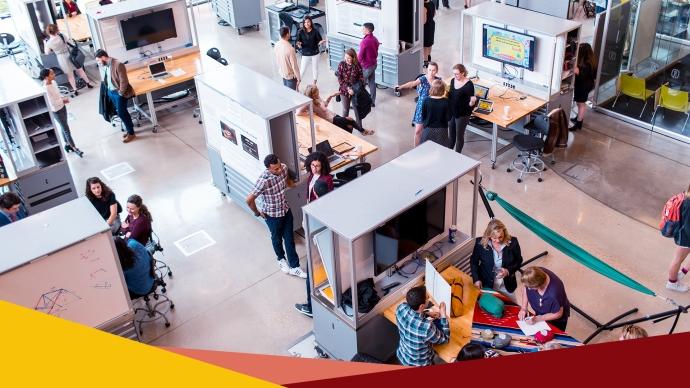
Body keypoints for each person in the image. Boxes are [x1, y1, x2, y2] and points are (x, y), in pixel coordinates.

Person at [246, 154, 307, 279]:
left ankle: (295, 267)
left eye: (279, 167)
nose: (279, 170)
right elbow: (249, 199)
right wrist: (257, 212)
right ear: (268, 168)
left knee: (289, 239)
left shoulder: (283, 168)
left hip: (285, 210)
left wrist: (294, 186)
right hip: (272, 216)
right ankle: (281, 259)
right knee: (277, 238)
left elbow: (287, 179)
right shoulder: (263, 181)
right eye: (276, 169)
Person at [294, 163, 333, 318]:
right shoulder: (332, 203)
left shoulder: (314, 212)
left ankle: (311, 308)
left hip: (318, 247)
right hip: (328, 245)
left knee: (312, 276)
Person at [395, 285, 449, 366]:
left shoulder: (401, 308)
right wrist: (443, 315)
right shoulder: (426, 327)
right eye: (427, 298)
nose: (428, 299)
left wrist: (427, 313)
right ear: (422, 306)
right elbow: (445, 339)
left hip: (403, 356)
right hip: (420, 364)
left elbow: (413, 314)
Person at [470, 219, 523, 299]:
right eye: (494, 238)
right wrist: (476, 279)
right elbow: (474, 262)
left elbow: (519, 261)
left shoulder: (513, 242)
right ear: (488, 235)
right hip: (486, 283)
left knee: (511, 306)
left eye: (500, 237)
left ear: (504, 232)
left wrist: (508, 271)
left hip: (506, 285)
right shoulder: (480, 243)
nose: (498, 241)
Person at [296, 84, 374, 135]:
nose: (318, 93)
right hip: (329, 119)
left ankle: (348, 140)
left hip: (332, 115)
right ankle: (363, 131)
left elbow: (325, 105)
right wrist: (311, 114)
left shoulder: (317, 98)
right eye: (316, 92)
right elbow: (298, 112)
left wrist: (331, 96)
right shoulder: (309, 102)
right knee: (350, 119)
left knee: (349, 126)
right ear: (312, 94)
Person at [39, 68, 84, 158]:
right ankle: (74, 148)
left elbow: (58, 94)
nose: (54, 75)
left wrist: (63, 98)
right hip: (56, 110)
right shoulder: (45, 89)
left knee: (64, 126)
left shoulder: (54, 82)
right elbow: (51, 103)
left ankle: (67, 145)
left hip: (62, 107)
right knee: (66, 129)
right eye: (52, 74)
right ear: (46, 77)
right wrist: (63, 101)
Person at [95, 50, 136, 143]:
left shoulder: (118, 64)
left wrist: (121, 93)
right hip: (111, 92)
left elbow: (123, 81)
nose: (98, 63)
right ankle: (130, 130)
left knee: (122, 113)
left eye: (98, 60)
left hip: (118, 93)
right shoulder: (106, 65)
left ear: (103, 57)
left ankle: (131, 133)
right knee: (123, 112)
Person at [397, 62, 441, 146]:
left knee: (429, 132)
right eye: (429, 70)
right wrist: (401, 86)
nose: (431, 72)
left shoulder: (438, 81)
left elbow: (443, 92)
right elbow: (412, 84)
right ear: (427, 69)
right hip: (422, 107)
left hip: (432, 109)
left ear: (437, 71)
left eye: (433, 70)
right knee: (417, 131)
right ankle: (416, 150)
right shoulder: (423, 79)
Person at [43, 24, 95, 95]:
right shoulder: (62, 36)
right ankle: (88, 83)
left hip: (61, 57)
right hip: (70, 54)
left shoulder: (48, 43)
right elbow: (70, 43)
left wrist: (45, 44)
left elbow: (47, 53)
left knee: (70, 75)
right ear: (56, 30)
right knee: (79, 70)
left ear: (48, 32)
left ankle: (75, 90)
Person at [518, 267, 571, 331]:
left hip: (556, 319)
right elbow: (525, 287)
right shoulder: (534, 273)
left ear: (538, 285)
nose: (528, 289)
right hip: (540, 313)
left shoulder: (554, 294)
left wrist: (538, 319)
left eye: (530, 287)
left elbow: (558, 313)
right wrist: (524, 308)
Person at [666, 184, 690, 292]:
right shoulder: (689, 203)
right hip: (685, 236)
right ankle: (672, 283)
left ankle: (682, 273)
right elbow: (688, 225)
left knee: (679, 259)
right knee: (678, 259)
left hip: (684, 233)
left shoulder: (686, 195)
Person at [448, 64, 476, 153]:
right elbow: (450, 96)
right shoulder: (453, 81)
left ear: (463, 73)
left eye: (457, 74)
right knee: (451, 134)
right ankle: (448, 153)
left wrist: (472, 102)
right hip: (452, 112)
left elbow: (471, 104)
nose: (455, 76)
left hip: (463, 114)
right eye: (454, 74)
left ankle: (457, 155)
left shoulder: (469, 85)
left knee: (459, 136)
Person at [571, 43, 597, 131]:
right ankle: (578, 118)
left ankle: (579, 123)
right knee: (580, 103)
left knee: (581, 104)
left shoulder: (586, 64)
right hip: (587, 85)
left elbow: (582, 76)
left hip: (583, 86)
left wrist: (577, 71)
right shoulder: (591, 61)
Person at [420, 79, 451, 147]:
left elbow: (423, 115)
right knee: (441, 150)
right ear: (443, 90)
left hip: (428, 129)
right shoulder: (446, 102)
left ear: (432, 89)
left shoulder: (426, 100)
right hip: (442, 130)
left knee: (426, 149)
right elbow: (449, 118)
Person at [337, 48, 364, 119]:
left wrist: (354, 90)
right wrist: (348, 88)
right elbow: (340, 80)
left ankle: (360, 128)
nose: (347, 60)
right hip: (344, 90)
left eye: (349, 58)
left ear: (353, 57)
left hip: (355, 91)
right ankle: (343, 128)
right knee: (345, 110)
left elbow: (361, 79)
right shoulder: (341, 64)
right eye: (345, 57)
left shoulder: (357, 65)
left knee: (357, 111)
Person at [296, 16, 324, 85]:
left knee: (315, 69)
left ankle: (314, 85)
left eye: (308, 22)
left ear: (311, 22)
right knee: (302, 71)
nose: (306, 24)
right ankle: (297, 85)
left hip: (315, 53)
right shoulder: (300, 32)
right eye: (305, 22)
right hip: (305, 54)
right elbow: (298, 42)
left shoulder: (315, 31)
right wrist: (299, 45)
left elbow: (319, 41)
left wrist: (320, 43)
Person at [358, 22, 379, 107]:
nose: (362, 30)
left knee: (360, 84)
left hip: (366, 66)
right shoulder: (375, 39)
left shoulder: (364, 42)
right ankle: (372, 102)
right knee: (372, 83)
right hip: (373, 64)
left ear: (367, 30)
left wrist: (356, 64)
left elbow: (360, 56)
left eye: (363, 29)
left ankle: (360, 102)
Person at [275, 26, 301, 90]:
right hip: (291, 77)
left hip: (283, 74)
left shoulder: (277, 45)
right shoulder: (290, 49)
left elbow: (277, 59)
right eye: (289, 32)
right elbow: (294, 66)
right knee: (294, 96)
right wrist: (298, 78)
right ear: (287, 34)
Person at [423, 0, 436, 68]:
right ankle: (429, 56)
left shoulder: (424, 6)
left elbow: (424, 21)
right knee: (430, 43)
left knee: (425, 45)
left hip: (426, 27)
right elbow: (434, 14)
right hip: (431, 24)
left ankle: (425, 62)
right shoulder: (432, 3)